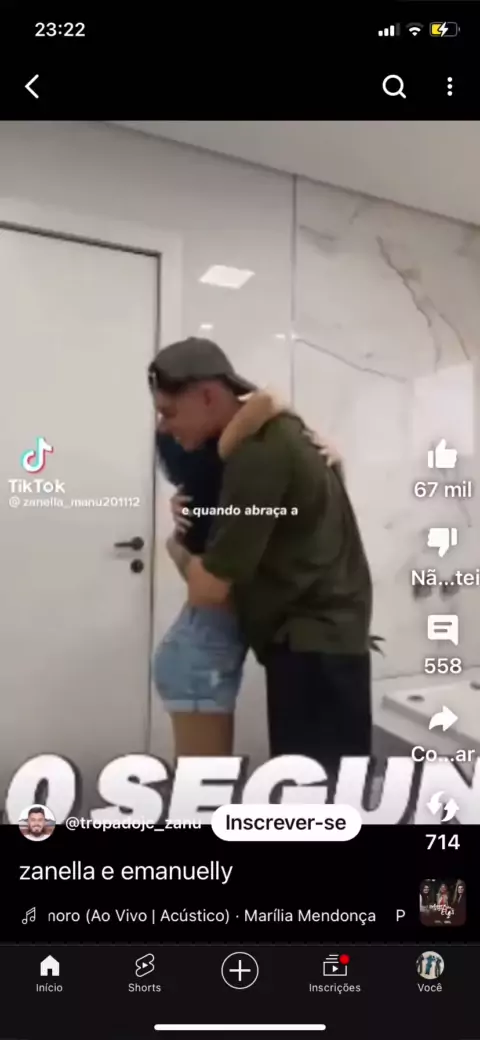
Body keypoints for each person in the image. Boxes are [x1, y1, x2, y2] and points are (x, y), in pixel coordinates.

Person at [149, 337, 372, 780]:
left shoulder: (258, 453)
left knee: (313, 794)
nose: (164, 426)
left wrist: (175, 546)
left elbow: (209, 590)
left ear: (207, 396)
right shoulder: (283, 435)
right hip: (322, 642)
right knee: (325, 790)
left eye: (169, 412)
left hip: (311, 647)